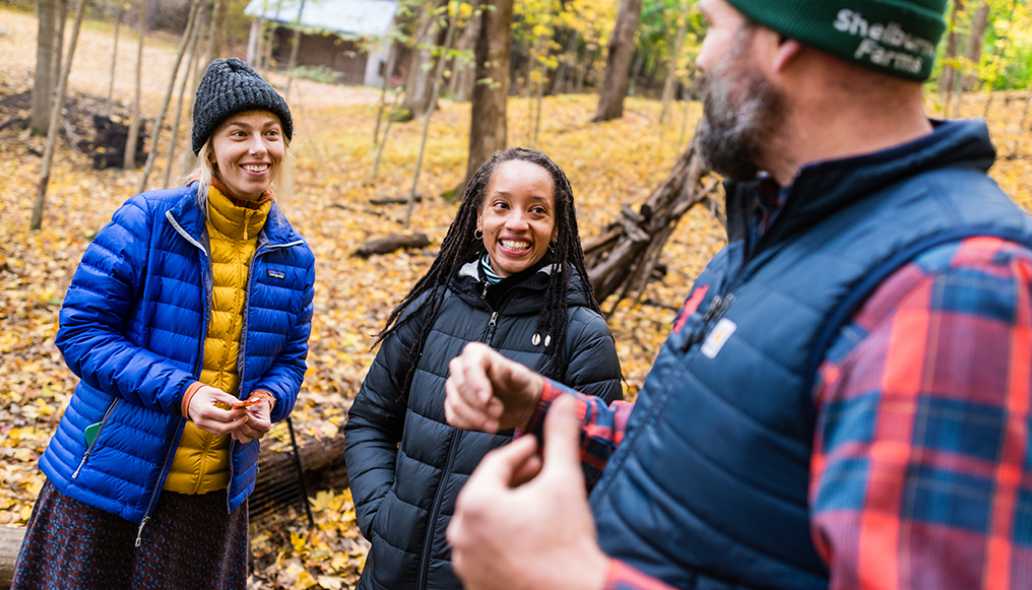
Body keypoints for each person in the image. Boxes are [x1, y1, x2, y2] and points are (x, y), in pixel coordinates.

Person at [442, 1, 1032, 588]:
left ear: (783, 42)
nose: (698, 59)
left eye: (712, 29)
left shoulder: (955, 285)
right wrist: (546, 408)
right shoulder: (772, 235)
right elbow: (703, 451)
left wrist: (569, 580)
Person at [12, 58, 315, 590]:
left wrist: (269, 398)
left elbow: (289, 361)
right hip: (110, 475)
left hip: (210, 496)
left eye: (271, 133)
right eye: (238, 133)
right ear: (210, 147)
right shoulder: (151, 220)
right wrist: (185, 393)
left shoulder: (293, 254)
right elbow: (81, 332)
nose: (258, 148)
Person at [344, 147, 623, 589]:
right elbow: (368, 420)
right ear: (478, 218)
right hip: (390, 573)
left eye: (537, 210)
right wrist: (382, 514)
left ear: (556, 227)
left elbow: (597, 474)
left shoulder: (581, 334)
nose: (517, 223)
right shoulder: (431, 308)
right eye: (502, 205)